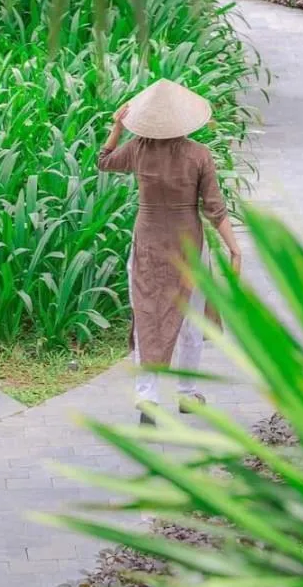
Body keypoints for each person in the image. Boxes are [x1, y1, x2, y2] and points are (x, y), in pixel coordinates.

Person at [98, 78, 242, 421]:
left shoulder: (137, 149)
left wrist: (116, 126)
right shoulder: (198, 155)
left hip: (147, 243)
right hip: (188, 246)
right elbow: (214, 209)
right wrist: (234, 250)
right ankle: (187, 393)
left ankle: (147, 398)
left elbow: (103, 161)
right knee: (191, 320)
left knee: (147, 314)